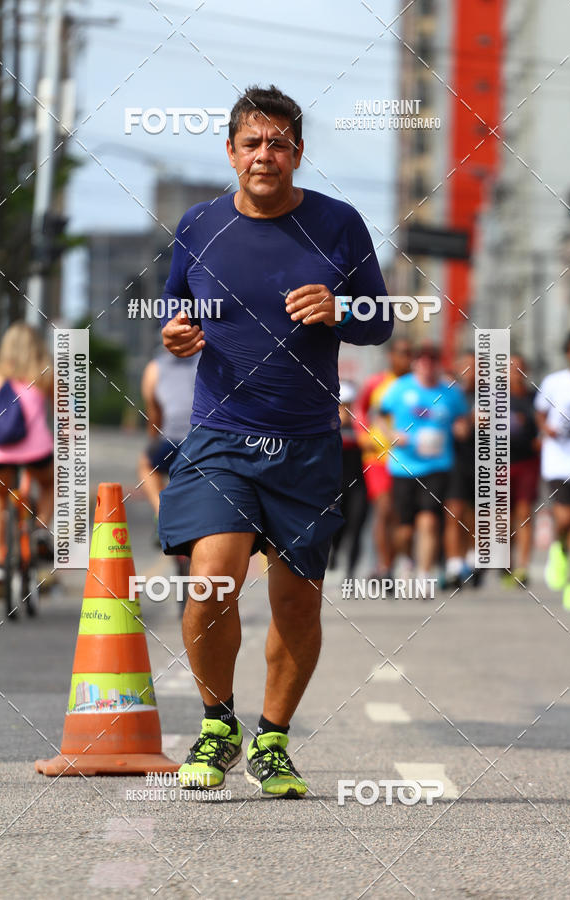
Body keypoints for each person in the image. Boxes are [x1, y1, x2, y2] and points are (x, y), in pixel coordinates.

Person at [158, 84, 393, 798]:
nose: (266, 155)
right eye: (253, 143)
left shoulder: (339, 224)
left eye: (280, 143)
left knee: (297, 601)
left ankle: (273, 740)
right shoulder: (198, 225)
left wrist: (340, 305)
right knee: (212, 578)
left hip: (308, 442)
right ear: (230, 151)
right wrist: (173, 333)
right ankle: (217, 723)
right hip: (222, 433)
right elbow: (176, 303)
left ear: (298, 153)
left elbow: (380, 318)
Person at [378, 343, 468, 591]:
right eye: (423, 360)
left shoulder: (451, 392)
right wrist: (392, 435)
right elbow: (379, 416)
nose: (427, 365)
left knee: (429, 521)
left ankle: (424, 575)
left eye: (433, 361)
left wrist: (462, 428)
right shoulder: (400, 388)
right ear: (416, 363)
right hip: (404, 466)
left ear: (438, 364)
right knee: (405, 530)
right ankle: (406, 560)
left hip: (438, 466)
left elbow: (462, 419)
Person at [0, 322, 53, 584]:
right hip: (36, 453)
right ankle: (41, 528)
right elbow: (65, 416)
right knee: (50, 483)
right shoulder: (46, 372)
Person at [353, 338, 412, 580]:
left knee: (401, 514)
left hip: (408, 457)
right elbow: (359, 409)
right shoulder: (376, 383)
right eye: (401, 353)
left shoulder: (415, 384)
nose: (406, 358)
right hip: (377, 457)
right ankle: (385, 566)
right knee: (384, 509)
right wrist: (362, 434)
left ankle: (398, 562)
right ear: (392, 356)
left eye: (409, 354)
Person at [535, 331, 570, 610]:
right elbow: (540, 412)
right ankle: (560, 547)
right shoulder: (554, 383)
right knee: (566, 519)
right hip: (560, 464)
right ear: (569, 353)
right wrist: (546, 429)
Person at [138, 346, 198, 519]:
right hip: (203, 437)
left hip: (172, 438)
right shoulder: (207, 360)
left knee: (146, 466)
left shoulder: (154, 368)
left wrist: (152, 441)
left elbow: (154, 413)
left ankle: (163, 515)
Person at [505, 354, 539, 587]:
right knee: (503, 516)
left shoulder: (534, 398)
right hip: (500, 462)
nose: (516, 372)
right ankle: (506, 563)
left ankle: (523, 567)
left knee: (524, 512)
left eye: (520, 368)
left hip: (527, 461)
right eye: (511, 368)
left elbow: (545, 422)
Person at [444, 350, 477, 589]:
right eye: (465, 365)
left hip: (479, 459)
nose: (469, 371)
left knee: (473, 513)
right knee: (454, 511)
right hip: (453, 459)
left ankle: (471, 558)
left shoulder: (489, 395)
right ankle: (454, 564)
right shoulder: (447, 392)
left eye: (474, 366)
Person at [328, 381, 368, 578]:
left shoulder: (361, 423)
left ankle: (351, 573)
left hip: (358, 484)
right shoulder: (325, 422)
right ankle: (332, 556)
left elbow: (373, 443)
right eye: (342, 404)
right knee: (335, 527)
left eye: (349, 404)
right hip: (333, 485)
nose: (345, 409)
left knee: (356, 526)